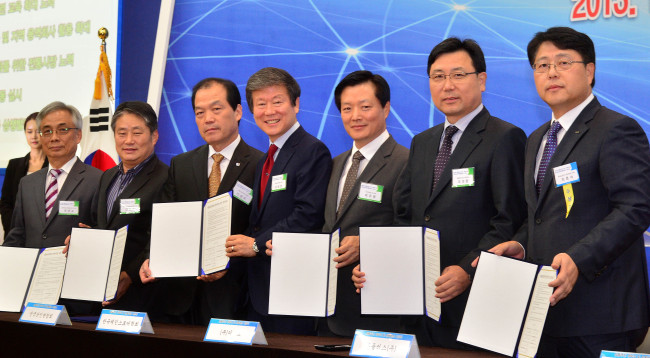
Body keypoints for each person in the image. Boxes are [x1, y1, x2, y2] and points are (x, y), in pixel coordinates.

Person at [476, 27, 650, 357]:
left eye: (563, 62)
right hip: (545, 312)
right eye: (542, 65)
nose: (551, 72)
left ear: (590, 70)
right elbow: (540, 217)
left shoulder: (616, 129)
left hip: (601, 314)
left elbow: (635, 208)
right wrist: (519, 244)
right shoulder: (537, 139)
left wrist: (579, 258)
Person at [353, 38, 527, 348]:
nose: (447, 85)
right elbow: (404, 216)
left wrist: (467, 269)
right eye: (438, 76)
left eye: (458, 75)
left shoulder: (505, 138)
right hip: (419, 306)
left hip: (475, 303)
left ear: (482, 80)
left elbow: (508, 222)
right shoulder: (423, 142)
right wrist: (377, 264)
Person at [139, 78, 263, 324]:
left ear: (237, 111)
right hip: (180, 299)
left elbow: (259, 227)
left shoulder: (260, 164)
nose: (208, 119)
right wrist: (152, 257)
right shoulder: (181, 164)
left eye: (216, 109)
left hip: (233, 296)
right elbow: (166, 222)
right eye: (199, 112)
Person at [226, 67, 332, 334]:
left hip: (292, 289)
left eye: (277, 102)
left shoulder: (312, 150)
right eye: (261, 104)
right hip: (259, 291)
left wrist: (257, 245)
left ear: (296, 104)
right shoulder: (266, 158)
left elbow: (308, 215)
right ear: (251, 111)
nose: (269, 111)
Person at [320, 70, 408, 337]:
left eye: (365, 106)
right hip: (329, 308)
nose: (355, 116)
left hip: (376, 306)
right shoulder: (335, 163)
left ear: (386, 108)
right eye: (347, 108)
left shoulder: (407, 161)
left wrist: (368, 244)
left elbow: (411, 227)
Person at [94, 101, 168, 310]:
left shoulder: (166, 177)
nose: (128, 141)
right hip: (103, 290)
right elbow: (102, 224)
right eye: (121, 133)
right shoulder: (107, 176)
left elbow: (162, 236)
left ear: (154, 136)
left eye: (137, 133)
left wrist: (130, 273)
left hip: (142, 291)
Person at [3, 101, 101, 248]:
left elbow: (103, 232)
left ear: (78, 135)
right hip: (32, 269)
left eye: (63, 130)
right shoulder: (27, 183)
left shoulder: (97, 179)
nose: (54, 137)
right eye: (47, 131)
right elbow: (17, 235)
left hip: (73, 268)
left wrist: (90, 237)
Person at [0, 112, 48, 237]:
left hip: (43, 232)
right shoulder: (14, 165)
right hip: (15, 232)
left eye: (38, 131)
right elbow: (5, 202)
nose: (34, 136)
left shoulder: (53, 165)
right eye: (29, 131)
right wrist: (13, 229)